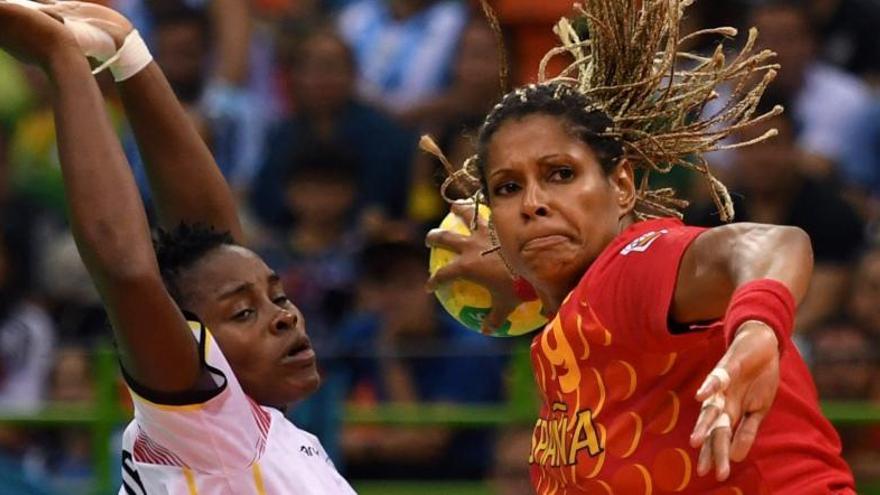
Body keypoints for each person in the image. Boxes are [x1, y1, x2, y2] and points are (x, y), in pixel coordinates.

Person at [425, 0, 856, 492]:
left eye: (561, 174)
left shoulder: (635, 262)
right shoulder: (571, 330)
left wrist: (758, 326)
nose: (533, 203)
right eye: (507, 187)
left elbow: (770, 243)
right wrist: (528, 284)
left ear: (623, 185)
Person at [0, 2, 355, 493]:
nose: (284, 316)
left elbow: (215, 246)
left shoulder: (266, 432)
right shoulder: (207, 427)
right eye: (243, 314)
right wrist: (61, 61)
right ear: (183, 343)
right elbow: (128, 275)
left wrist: (130, 56)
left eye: (277, 296)